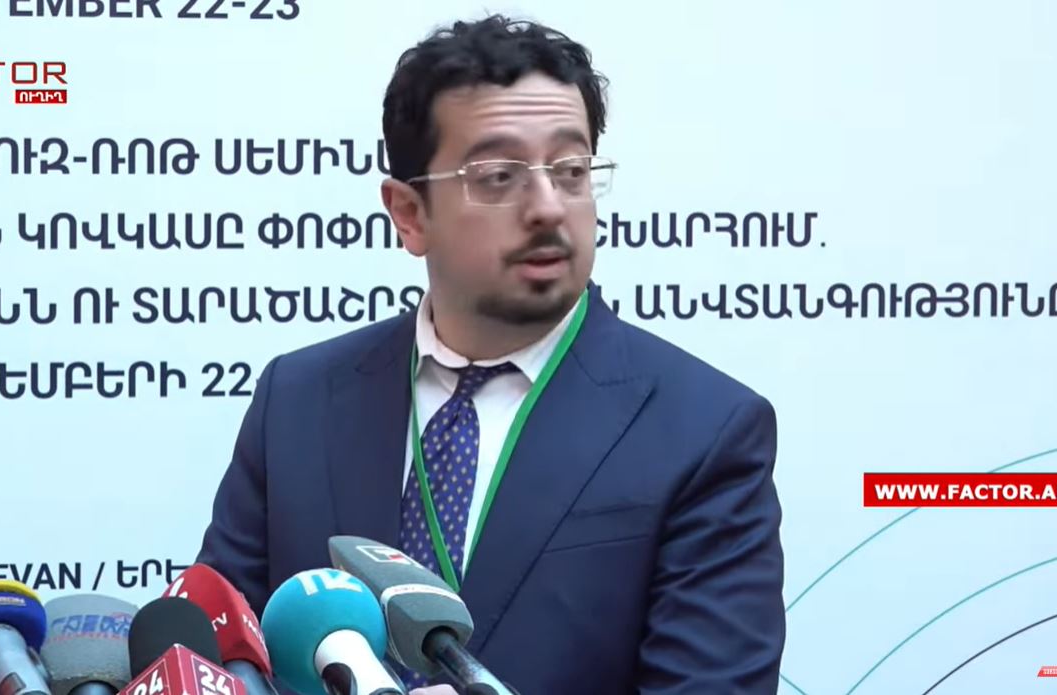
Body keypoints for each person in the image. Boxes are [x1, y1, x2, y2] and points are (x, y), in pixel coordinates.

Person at [196, 14, 785, 695]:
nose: (548, 208)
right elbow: (219, 653)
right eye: (500, 175)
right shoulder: (298, 400)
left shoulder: (704, 431)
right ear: (409, 213)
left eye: (571, 170)